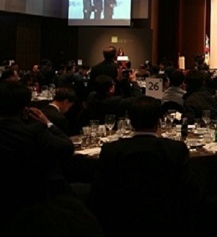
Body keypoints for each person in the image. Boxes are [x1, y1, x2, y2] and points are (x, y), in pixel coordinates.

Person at [91, 96, 195, 236]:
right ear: (159, 121)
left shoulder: (111, 150)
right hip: (166, 217)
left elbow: (100, 190)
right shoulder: (176, 149)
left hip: (121, 218)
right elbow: (186, 190)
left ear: (130, 121)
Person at [0, 82, 75, 231]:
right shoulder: (35, 131)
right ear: (25, 108)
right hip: (37, 199)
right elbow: (67, 147)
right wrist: (47, 123)